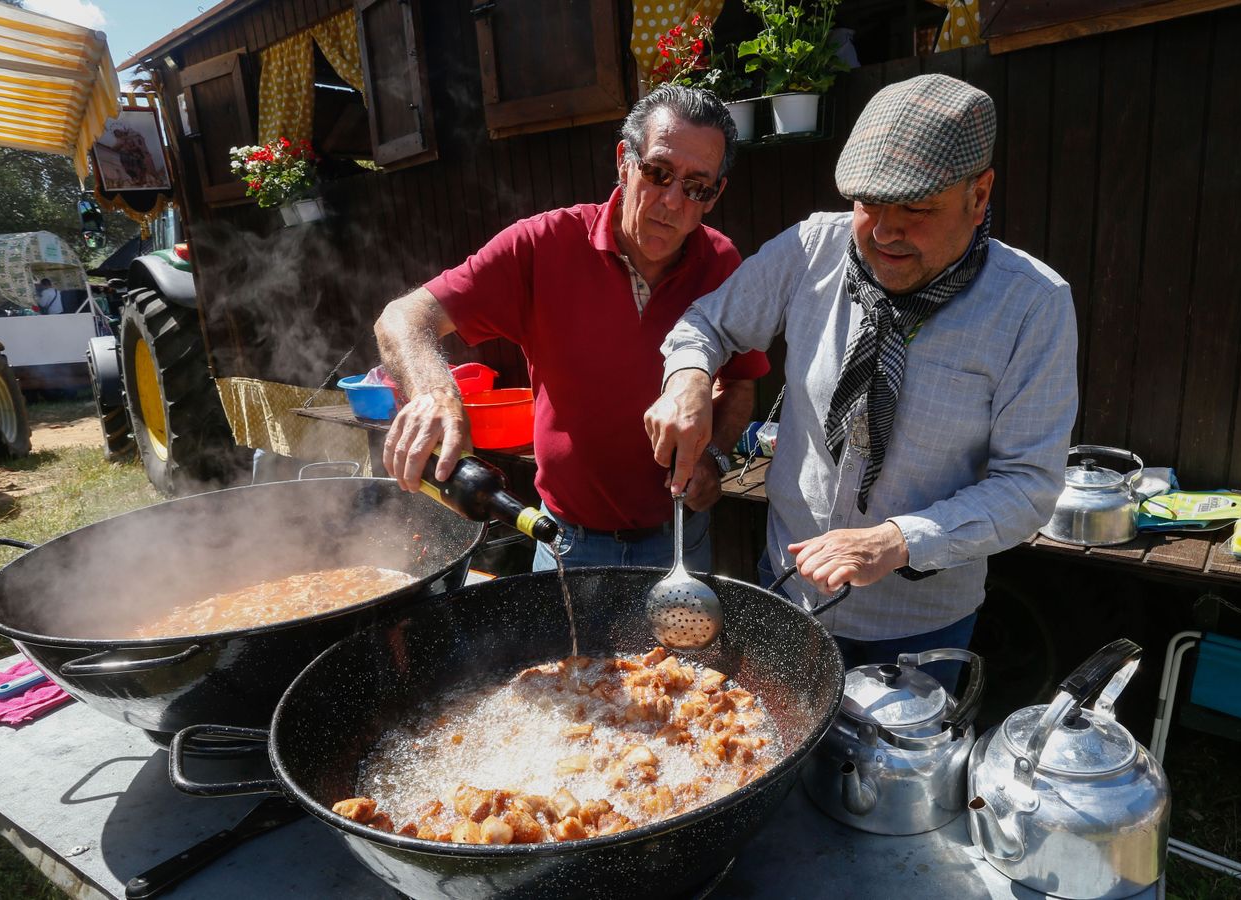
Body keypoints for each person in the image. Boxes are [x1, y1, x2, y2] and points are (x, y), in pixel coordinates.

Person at [645, 74, 1079, 677]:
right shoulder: (811, 249)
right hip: (789, 590)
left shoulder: (1032, 305)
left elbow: (1028, 485)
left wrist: (897, 540)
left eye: (916, 209)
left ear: (979, 197)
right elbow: (707, 326)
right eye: (868, 203)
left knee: (887, 773)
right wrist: (688, 376)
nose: (883, 231)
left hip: (920, 621)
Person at [376, 86, 768, 572]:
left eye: (696, 187)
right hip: (568, 542)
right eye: (658, 172)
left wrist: (714, 455)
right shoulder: (543, 245)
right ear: (625, 161)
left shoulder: (722, 263)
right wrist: (434, 391)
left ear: (715, 196)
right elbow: (402, 317)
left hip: (679, 538)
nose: (672, 201)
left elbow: (741, 379)